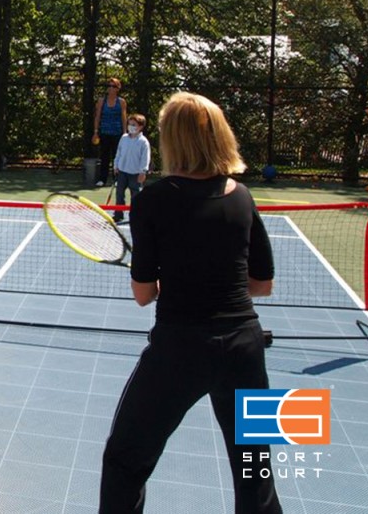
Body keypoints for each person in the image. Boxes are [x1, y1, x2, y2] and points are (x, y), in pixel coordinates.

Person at [99, 92, 281, 514]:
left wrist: (173, 280)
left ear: (172, 140)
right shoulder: (242, 197)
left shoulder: (153, 201)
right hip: (245, 349)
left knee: (125, 461)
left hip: (180, 349)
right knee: (254, 470)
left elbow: (144, 295)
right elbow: (262, 284)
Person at [111, 113, 151, 223]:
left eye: (134, 125)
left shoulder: (143, 142)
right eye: (129, 124)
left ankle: (136, 215)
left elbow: (145, 158)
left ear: (141, 127)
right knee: (119, 194)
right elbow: (118, 153)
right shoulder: (124, 138)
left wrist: (143, 171)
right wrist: (116, 165)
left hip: (135, 174)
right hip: (122, 172)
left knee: (136, 196)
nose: (131, 127)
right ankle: (118, 214)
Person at [92, 77, 127, 187]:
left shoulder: (121, 102)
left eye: (113, 86)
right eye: (109, 86)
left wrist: (125, 133)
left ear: (118, 89)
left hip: (117, 133)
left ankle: (117, 179)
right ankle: (102, 179)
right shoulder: (102, 101)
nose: (110, 88)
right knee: (104, 157)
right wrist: (96, 131)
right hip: (105, 132)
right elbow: (97, 117)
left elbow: (124, 118)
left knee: (117, 157)